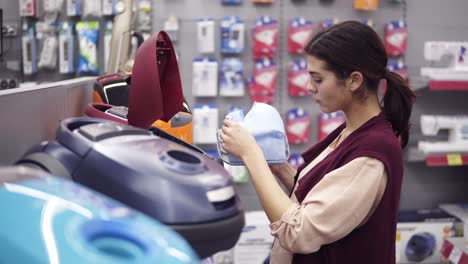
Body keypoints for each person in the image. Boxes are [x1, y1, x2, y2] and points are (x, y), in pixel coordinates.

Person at [219, 20, 415, 264]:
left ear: (354, 81)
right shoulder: (352, 132)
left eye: (318, 79)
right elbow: (323, 201)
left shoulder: (371, 155)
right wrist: (279, 168)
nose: (309, 87)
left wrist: (251, 155)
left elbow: (299, 232)